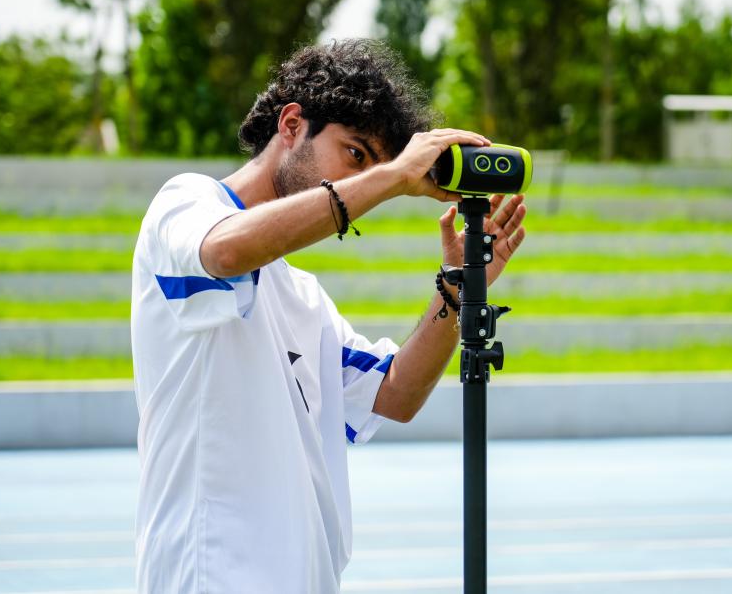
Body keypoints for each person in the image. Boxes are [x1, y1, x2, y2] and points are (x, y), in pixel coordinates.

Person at [130, 39, 527, 592]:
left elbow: (396, 394)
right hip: (211, 576)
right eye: (356, 153)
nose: (366, 183)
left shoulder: (304, 297)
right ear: (292, 124)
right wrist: (390, 177)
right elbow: (223, 253)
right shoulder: (188, 203)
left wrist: (456, 291)